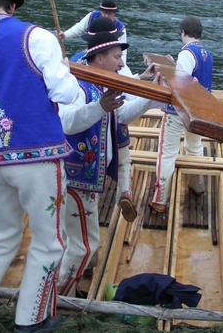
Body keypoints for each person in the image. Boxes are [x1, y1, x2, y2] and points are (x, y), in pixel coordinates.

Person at [0, 0, 81, 333]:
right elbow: (66, 93)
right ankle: (31, 319)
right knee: (48, 240)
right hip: (37, 155)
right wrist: (65, 69)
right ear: (12, 7)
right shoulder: (35, 36)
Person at [57, 18, 160, 297]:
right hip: (74, 178)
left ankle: (68, 287)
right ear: (100, 57)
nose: (120, 61)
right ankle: (59, 297)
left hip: (87, 178)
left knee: (76, 240)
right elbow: (67, 122)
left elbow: (121, 115)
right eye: (117, 56)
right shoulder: (78, 84)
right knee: (83, 246)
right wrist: (99, 107)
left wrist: (151, 96)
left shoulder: (102, 83)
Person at [149, 16, 213, 213]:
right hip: (199, 111)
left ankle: (160, 199)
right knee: (194, 148)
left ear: (183, 32)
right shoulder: (206, 54)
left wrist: (163, 71)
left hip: (179, 112)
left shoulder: (186, 53)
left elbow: (180, 83)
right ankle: (197, 185)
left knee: (167, 154)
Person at [57, 0, 128, 63]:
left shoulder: (120, 28)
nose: (106, 16)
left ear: (114, 13)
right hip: (91, 51)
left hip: (108, 57)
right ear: (101, 11)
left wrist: (120, 67)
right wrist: (65, 35)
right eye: (105, 13)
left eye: (109, 13)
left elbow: (122, 52)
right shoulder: (92, 16)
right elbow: (79, 28)